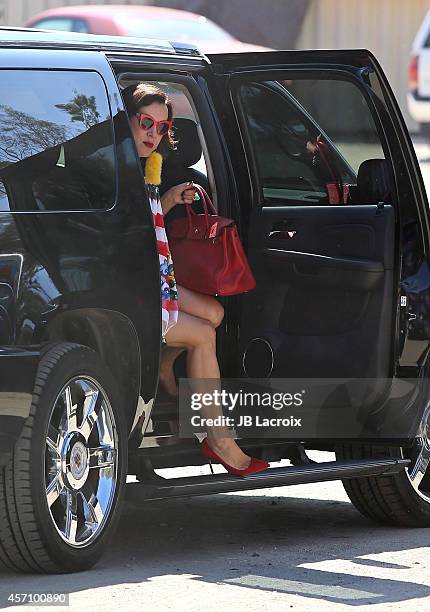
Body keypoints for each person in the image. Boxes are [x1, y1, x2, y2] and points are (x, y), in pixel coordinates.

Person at [123, 82, 269, 476]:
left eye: (161, 127)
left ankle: (165, 365)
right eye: (145, 123)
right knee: (203, 334)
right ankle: (219, 438)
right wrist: (167, 200)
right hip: (127, 288)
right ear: (127, 121)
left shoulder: (150, 167)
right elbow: (124, 237)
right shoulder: (116, 169)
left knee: (214, 313)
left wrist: (170, 199)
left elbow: (150, 232)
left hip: (154, 279)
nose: (153, 134)